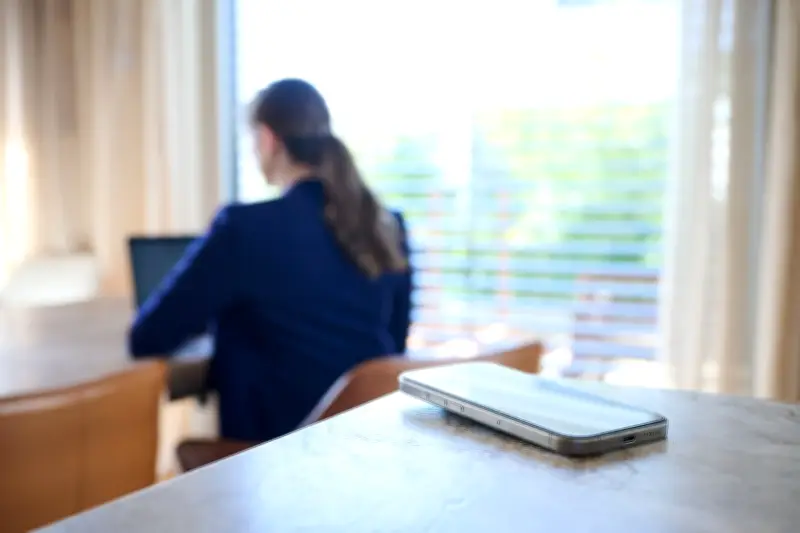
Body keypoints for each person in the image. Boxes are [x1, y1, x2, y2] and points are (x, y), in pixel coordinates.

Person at [129, 78, 412, 443]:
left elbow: (148, 336)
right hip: (369, 447)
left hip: (269, 462)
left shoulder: (244, 228)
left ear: (267, 138)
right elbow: (395, 346)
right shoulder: (387, 226)